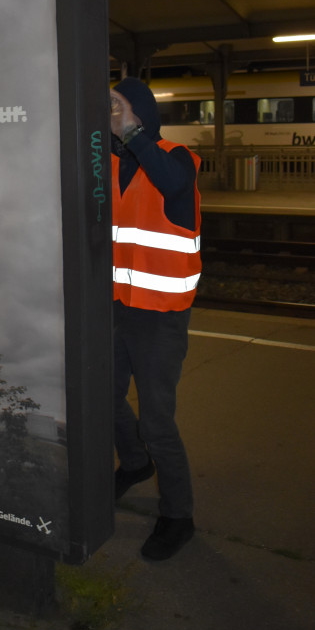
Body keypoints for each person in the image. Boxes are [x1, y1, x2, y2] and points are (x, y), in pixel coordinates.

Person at [110, 77, 201, 560]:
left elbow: (171, 183)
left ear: (142, 112)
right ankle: (136, 464)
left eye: (119, 106)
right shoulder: (107, 163)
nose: (111, 114)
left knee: (157, 420)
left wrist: (132, 133)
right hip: (115, 308)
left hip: (160, 317)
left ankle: (178, 516)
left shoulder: (176, 159)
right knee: (103, 398)